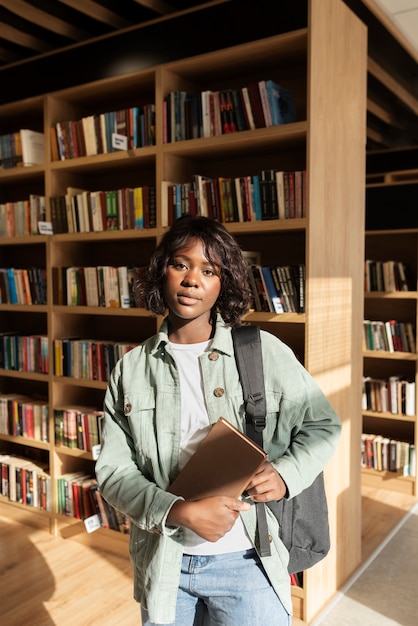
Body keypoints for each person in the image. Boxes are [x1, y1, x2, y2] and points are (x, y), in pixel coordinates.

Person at [95, 215, 342, 626]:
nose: (192, 279)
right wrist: (177, 511)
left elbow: (323, 425)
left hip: (249, 561)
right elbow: (114, 471)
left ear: (222, 283)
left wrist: (283, 474)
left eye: (209, 270)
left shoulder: (263, 350)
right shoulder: (131, 369)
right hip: (164, 563)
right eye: (181, 264)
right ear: (161, 272)